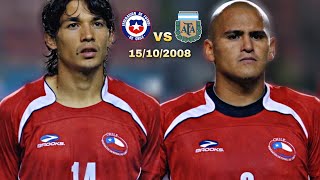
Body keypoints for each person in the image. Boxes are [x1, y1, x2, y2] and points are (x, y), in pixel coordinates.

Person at [160, 0, 320, 179]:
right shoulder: (169, 118)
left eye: (257, 36)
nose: (248, 46)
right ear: (210, 50)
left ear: (271, 49)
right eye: (234, 36)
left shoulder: (309, 113)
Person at [0, 0, 160, 179]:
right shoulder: (14, 111)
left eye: (97, 24)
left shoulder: (145, 110)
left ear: (111, 36)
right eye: (73, 25)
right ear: (51, 39)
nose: (88, 35)